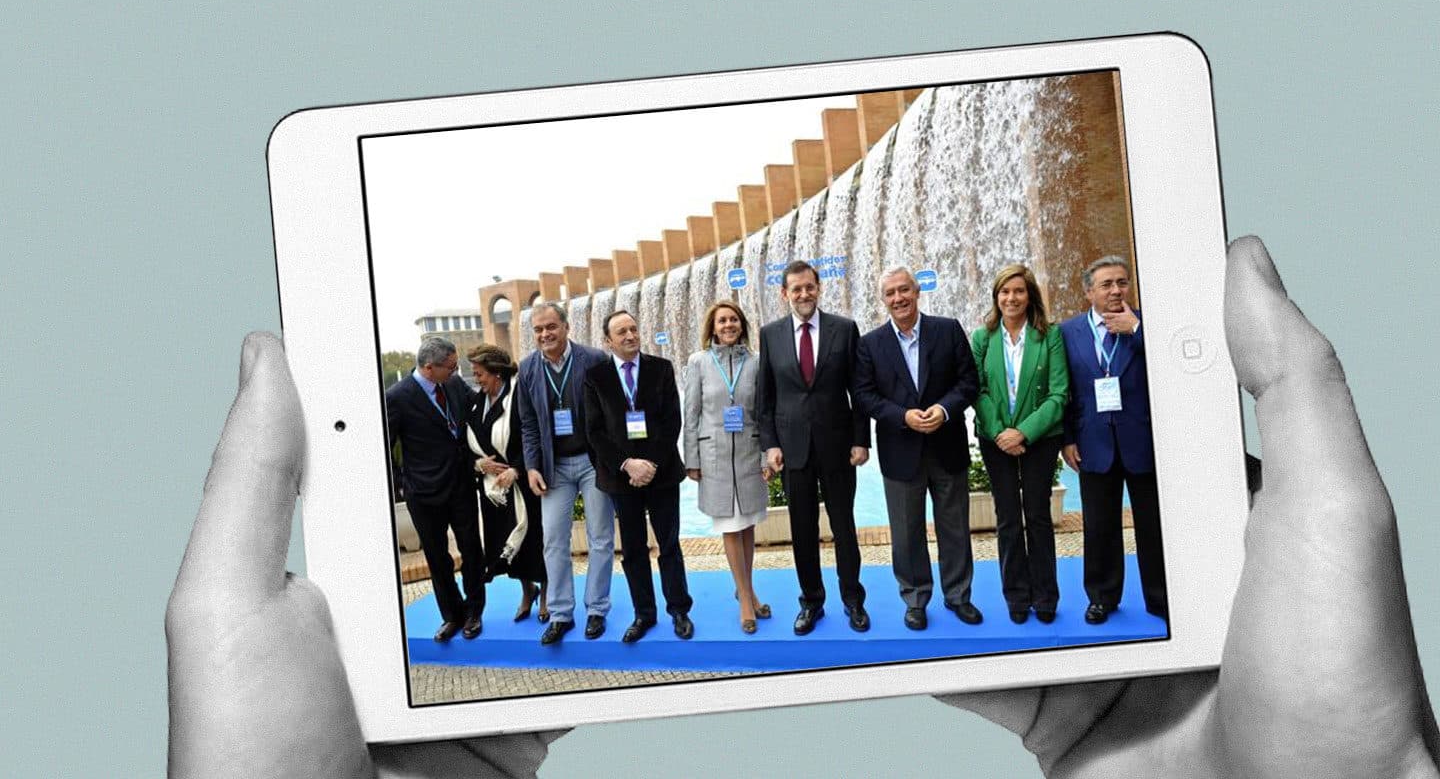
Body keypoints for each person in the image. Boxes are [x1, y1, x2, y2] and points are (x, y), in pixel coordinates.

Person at [169, 238, 1440, 777]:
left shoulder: (929, 331)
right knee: (618, 547)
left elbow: (926, 378)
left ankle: (871, 600)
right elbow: (763, 401)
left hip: (908, 449)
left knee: (821, 544)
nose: (727, 318)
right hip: (735, 460)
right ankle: (631, 619)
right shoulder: (735, 353)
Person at [854, 267, 981, 631]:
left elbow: (968, 381)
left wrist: (943, 410)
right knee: (906, 533)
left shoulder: (948, 329)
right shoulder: (870, 344)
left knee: (954, 527)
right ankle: (915, 599)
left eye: (904, 290)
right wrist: (902, 416)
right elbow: (864, 396)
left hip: (947, 445)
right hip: (900, 450)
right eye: (891, 293)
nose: (899, 298)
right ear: (884, 300)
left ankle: (958, 596)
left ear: (917, 290)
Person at [755, 259, 872, 635]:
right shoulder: (770, 334)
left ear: (818, 289)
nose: (804, 294)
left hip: (838, 447)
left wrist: (861, 439)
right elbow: (765, 399)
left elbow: (860, 390)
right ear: (784, 293)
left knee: (844, 528)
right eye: (796, 289)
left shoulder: (844, 329)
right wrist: (770, 446)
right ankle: (811, 602)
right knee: (802, 531)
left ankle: (853, 600)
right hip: (793, 451)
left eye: (809, 287)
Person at [1058, 254, 1167, 623]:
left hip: (1143, 440)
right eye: (1107, 284)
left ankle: (1160, 596)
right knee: (1099, 526)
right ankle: (1102, 597)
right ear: (1089, 292)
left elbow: (1169, 368)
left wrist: (1137, 331)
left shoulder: (1147, 324)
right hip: (1094, 443)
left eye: (1122, 282)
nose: (1117, 290)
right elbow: (1065, 390)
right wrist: (1067, 439)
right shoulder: (1068, 332)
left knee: (1152, 523)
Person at [582, 310, 695, 642]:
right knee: (632, 548)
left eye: (633, 329)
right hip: (621, 477)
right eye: (621, 332)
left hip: (660, 472)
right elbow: (595, 431)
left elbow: (671, 421)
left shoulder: (661, 368)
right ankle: (644, 614)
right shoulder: (595, 376)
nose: (630, 335)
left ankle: (679, 610)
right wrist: (628, 464)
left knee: (669, 544)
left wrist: (649, 464)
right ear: (608, 341)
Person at [970, 263, 1070, 624]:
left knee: (1038, 516)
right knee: (1008, 518)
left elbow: (1059, 394)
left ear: (1030, 296)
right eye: (1004, 292)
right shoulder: (982, 338)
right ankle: (1016, 595)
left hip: (1039, 440)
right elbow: (976, 388)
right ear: (996, 297)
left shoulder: (1050, 336)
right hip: (995, 440)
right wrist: (1000, 432)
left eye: (1019, 291)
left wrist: (1023, 432)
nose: (1011, 298)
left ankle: (1045, 596)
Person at [514, 302, 615, 645]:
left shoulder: (595, 360)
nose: (545, 334)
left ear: (566, 327)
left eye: (550, 327)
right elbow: (527, 424)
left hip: (592, 462)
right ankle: (561, 614)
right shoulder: (527, 369)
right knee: (554, 541)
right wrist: (531, 466)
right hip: (553, 467)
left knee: (601, 537)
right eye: (538, 329)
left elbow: (611, 413)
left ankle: (597, 609)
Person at [383, 337, 487, 642]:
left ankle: (474, 612)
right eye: (451, 367)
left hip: (461, 483)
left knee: (471, 547)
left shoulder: (454, 386)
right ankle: (452, 615)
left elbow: (479, 410)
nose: (456, 372)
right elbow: (386, 446)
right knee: (437, 555)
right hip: (423, 492)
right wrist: (402, 482)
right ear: (430, 368)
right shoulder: (397, 397)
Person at [683, 300, 771, 634]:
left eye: (733, 319)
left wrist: (766, 457)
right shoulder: (699, 362)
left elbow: (763, 412)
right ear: (713, 327)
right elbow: (691, 413)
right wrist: (691, 459)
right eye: (722, 320)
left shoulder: (756, 363)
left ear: (742, 324)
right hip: (715, 457)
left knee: (747, 525)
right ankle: (747, 601)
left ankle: (745, 589)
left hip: (748, 453)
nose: (728, 325)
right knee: (731, 528)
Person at [465, 343, 548, 624]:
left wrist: (518, 469)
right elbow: (467, 447)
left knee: (535, 539)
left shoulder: (519, 395)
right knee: (507, 543)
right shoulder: (475, 402)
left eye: (480, 374)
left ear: (497, 373)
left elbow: (535, 435)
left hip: (525, 483)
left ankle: (547, 594)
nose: (477, 380)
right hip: (494, 489)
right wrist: (480, 465)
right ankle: (527, 591)